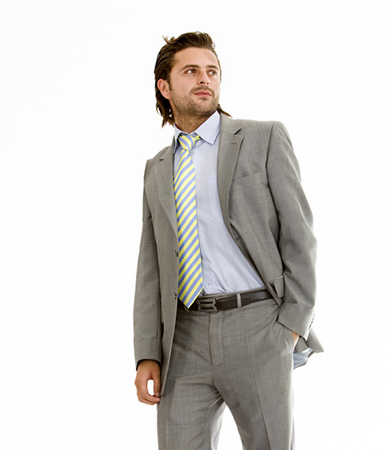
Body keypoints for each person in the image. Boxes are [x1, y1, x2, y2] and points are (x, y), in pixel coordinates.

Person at [133, 31, 323, 450]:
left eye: (212, 71)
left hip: (258, 325)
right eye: (191, 71)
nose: (205, 79)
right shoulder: (156, 168)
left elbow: (299, 235)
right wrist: (148, 352)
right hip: (183, 336)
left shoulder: (262, 138)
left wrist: (293, 324)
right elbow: (151, 266)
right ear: (165, 87)